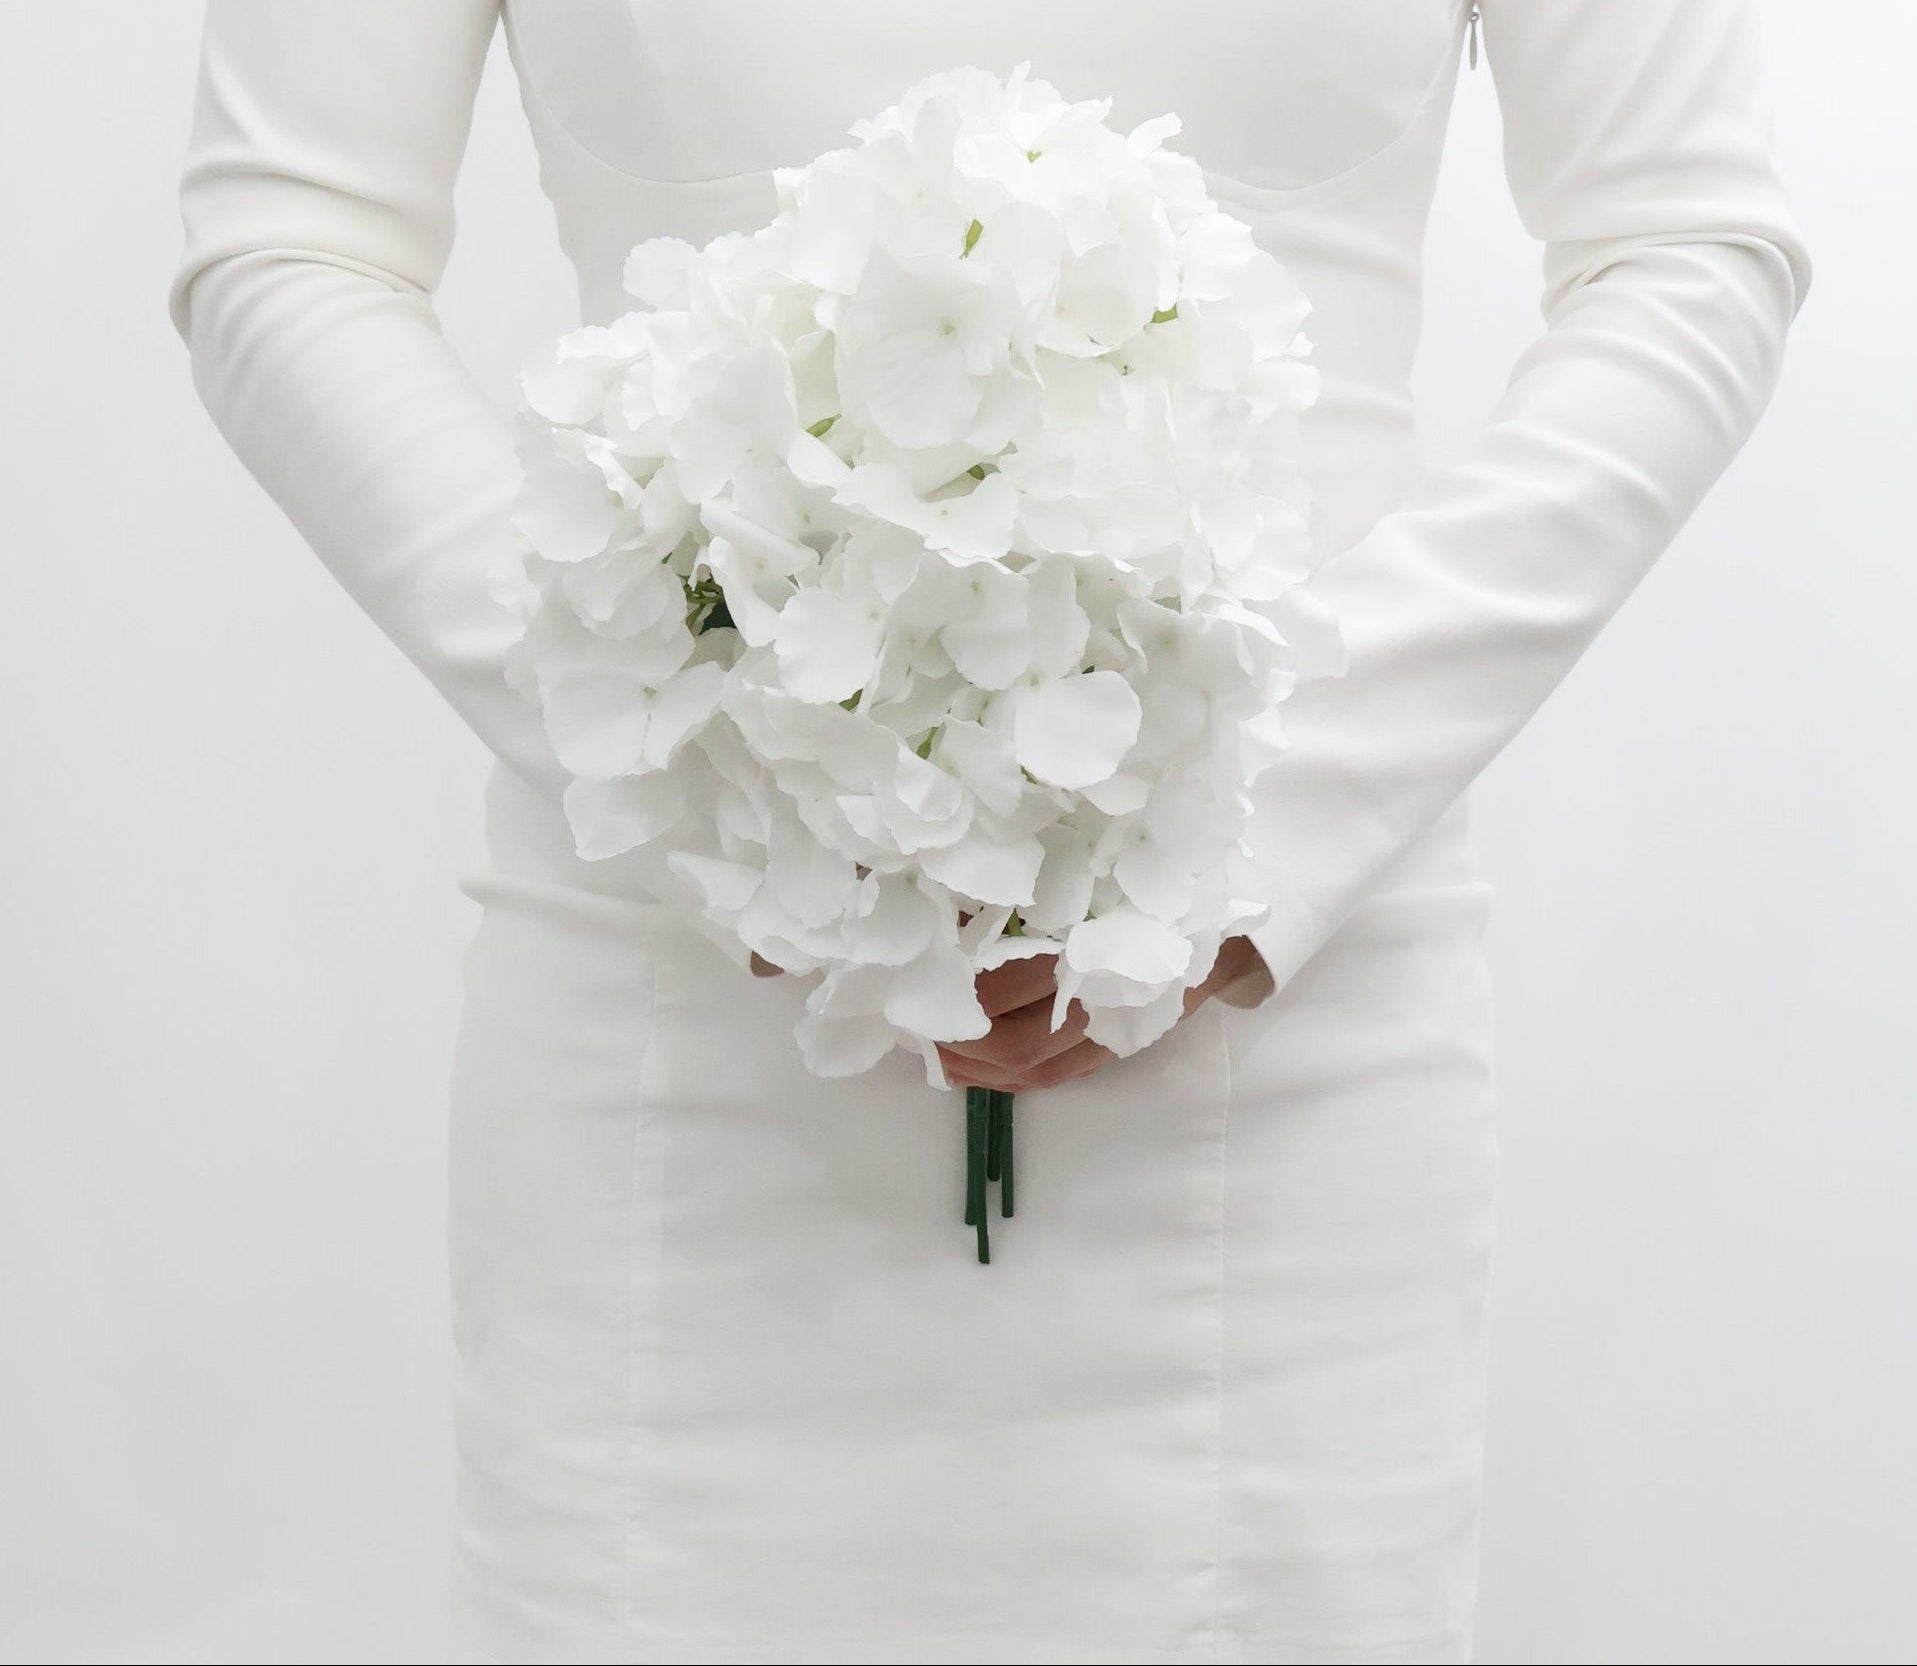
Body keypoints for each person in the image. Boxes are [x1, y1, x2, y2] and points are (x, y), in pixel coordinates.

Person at [169, 3, 1810, 1660]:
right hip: (680, 1031)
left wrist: (1237, 835)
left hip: (1279, 1054)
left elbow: (1685, 244)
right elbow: (290, 242)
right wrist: (715, 782)